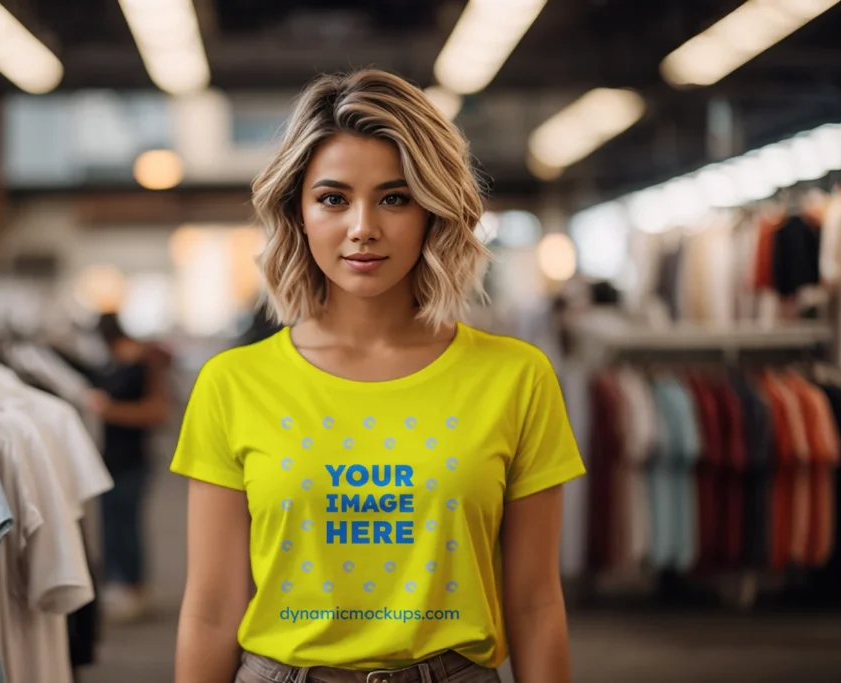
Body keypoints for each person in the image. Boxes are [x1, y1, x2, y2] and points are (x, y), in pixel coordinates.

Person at [170, 70, 586, 683]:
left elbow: (535, 603)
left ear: (433, 211)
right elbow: (210, 611)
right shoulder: (232, 383)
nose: (363, 226)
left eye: (395, 197)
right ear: (299, 213)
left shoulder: (516, 378)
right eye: (333, 198)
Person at [86, 312, 170, 624]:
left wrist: (110, 411)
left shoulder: (144, 363)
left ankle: (135, 588)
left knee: (128, 523)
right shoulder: (110, 364)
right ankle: (118, 585)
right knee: (110, 523)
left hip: (133, 457)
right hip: (107, 457)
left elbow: (157, 411)